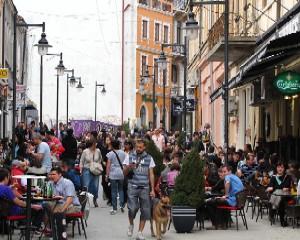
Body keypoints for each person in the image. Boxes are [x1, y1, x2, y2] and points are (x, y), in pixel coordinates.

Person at [123, 139, 155, 240]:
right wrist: (129, 167)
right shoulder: (129, 156)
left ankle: (140, 232)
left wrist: (153, 189)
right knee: (132, 209)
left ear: (144, 147)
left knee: (145, 211)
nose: (138, 149)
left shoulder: (149, 158)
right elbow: (124, 173)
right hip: (132, 186)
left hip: (145, 187)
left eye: (140, 147)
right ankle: (131, 224)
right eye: (137, 147)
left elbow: (151, 174)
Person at [45, 167, 81, 239]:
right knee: (44, 206)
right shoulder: (50, 183)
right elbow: (48, 196)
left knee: (57, 211)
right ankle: (51, 230)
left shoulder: (67, 183)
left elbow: (70, 199)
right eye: (50, 174)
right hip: (58, 203)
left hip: (73, 205)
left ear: (60, 174)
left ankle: (59, 235)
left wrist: (62, 210)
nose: (51, 176)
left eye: (54, 174)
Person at [206, 165, 244, 229]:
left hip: (234, 201)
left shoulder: (228, 176)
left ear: (230, 171)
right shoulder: (235, 177)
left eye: (225, 171)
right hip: (239, 201)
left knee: (210, 202)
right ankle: (222, 223)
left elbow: (227, 183)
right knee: (218, 202)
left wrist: (226, 195)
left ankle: (216, 225)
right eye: (223, 172)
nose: (223, 173)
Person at [267, 162, 292, 227]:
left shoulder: (287, 177)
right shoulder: (273, 177)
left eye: (282, 167)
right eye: (278, 167)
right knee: (280, 198)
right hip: (278, 197)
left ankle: (273, 209)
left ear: (284, 169)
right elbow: (270, 187)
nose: (280, 169)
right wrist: (276, 188)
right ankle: (282, 221)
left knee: (278, 193)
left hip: (286, 195)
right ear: (276, 168)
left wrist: (275, 188)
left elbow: (286, 187)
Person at [80, 138, 102, 207]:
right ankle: (84, 201)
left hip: (95, 170)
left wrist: (97, 165)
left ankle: (95, 199)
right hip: (87, 169)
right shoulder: (85, 151)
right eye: (95, 143)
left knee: (96, 186)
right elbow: (81, 161)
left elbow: (100, 159)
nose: (96, 145)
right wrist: (81, 170)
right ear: (92, 144)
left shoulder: (98, 151)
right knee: (86, 186)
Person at [105, 139, 126, 215]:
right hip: (121, 172)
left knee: (113, 191)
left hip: (113, 173)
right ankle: (122, 206)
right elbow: (125, 164)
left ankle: (114, 208)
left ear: (112, 145)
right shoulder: (123, 153)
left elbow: (108, 165)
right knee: (121, 190)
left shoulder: (110, 154)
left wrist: (107, 175)